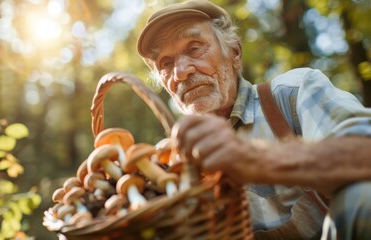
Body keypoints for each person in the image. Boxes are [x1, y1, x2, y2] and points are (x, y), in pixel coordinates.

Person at [136, 0, 371, 239]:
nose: (181, 72)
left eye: (195, 48)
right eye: (166, 63)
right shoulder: (167, 166)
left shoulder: (292, 93)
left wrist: (257, 159)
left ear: (235, 53)